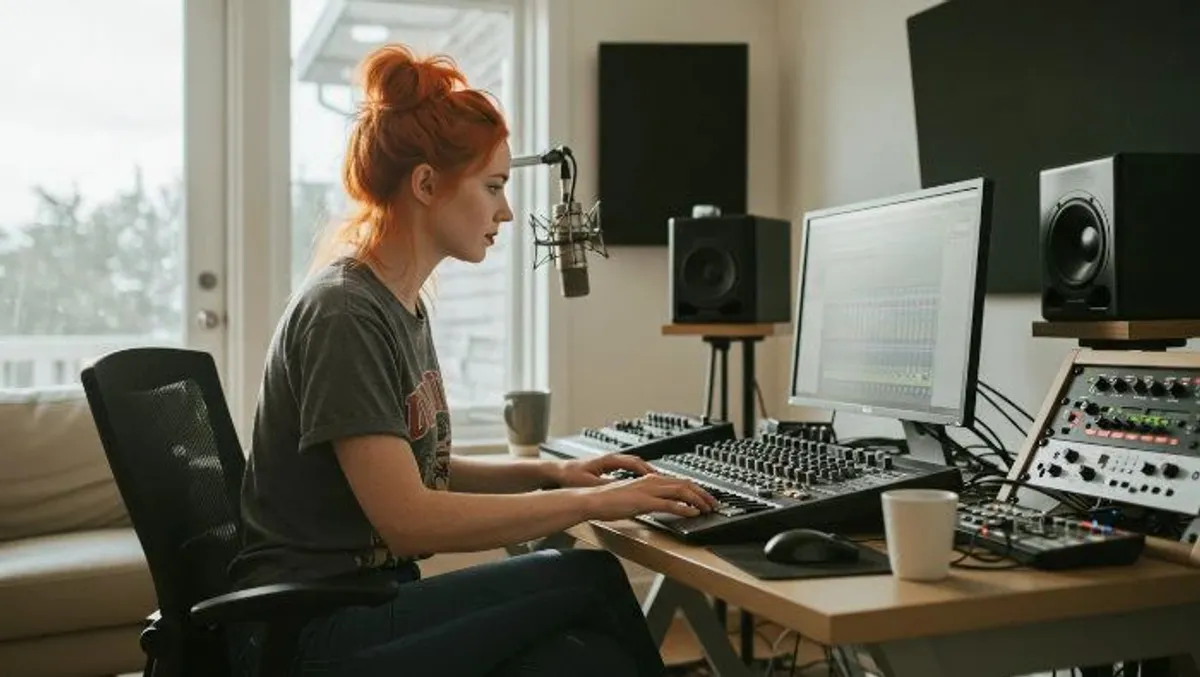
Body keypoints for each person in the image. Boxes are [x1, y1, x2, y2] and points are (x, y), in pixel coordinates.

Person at [225, 43, 718, 677]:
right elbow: (410, 520)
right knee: (588, 577)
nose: (506, 211)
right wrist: (593, 503)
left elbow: (420, 468)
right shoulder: (345, 313)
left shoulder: (398, 302)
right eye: (493, 187)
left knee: (579, 657)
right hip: (308, 631)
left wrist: (555, 473)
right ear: (426, 184)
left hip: (363, 604)